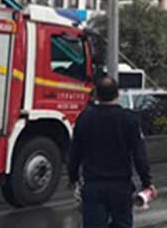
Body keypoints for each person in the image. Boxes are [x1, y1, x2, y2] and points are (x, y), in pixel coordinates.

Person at [68, 76, 153, 228]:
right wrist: (147, 182)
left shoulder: (85, 118)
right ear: (118, 94)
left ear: (96, 95)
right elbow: (139, 155)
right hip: (120, 186)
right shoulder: (129, 119)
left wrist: (72, 177)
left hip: (93, 185)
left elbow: (75, 152)